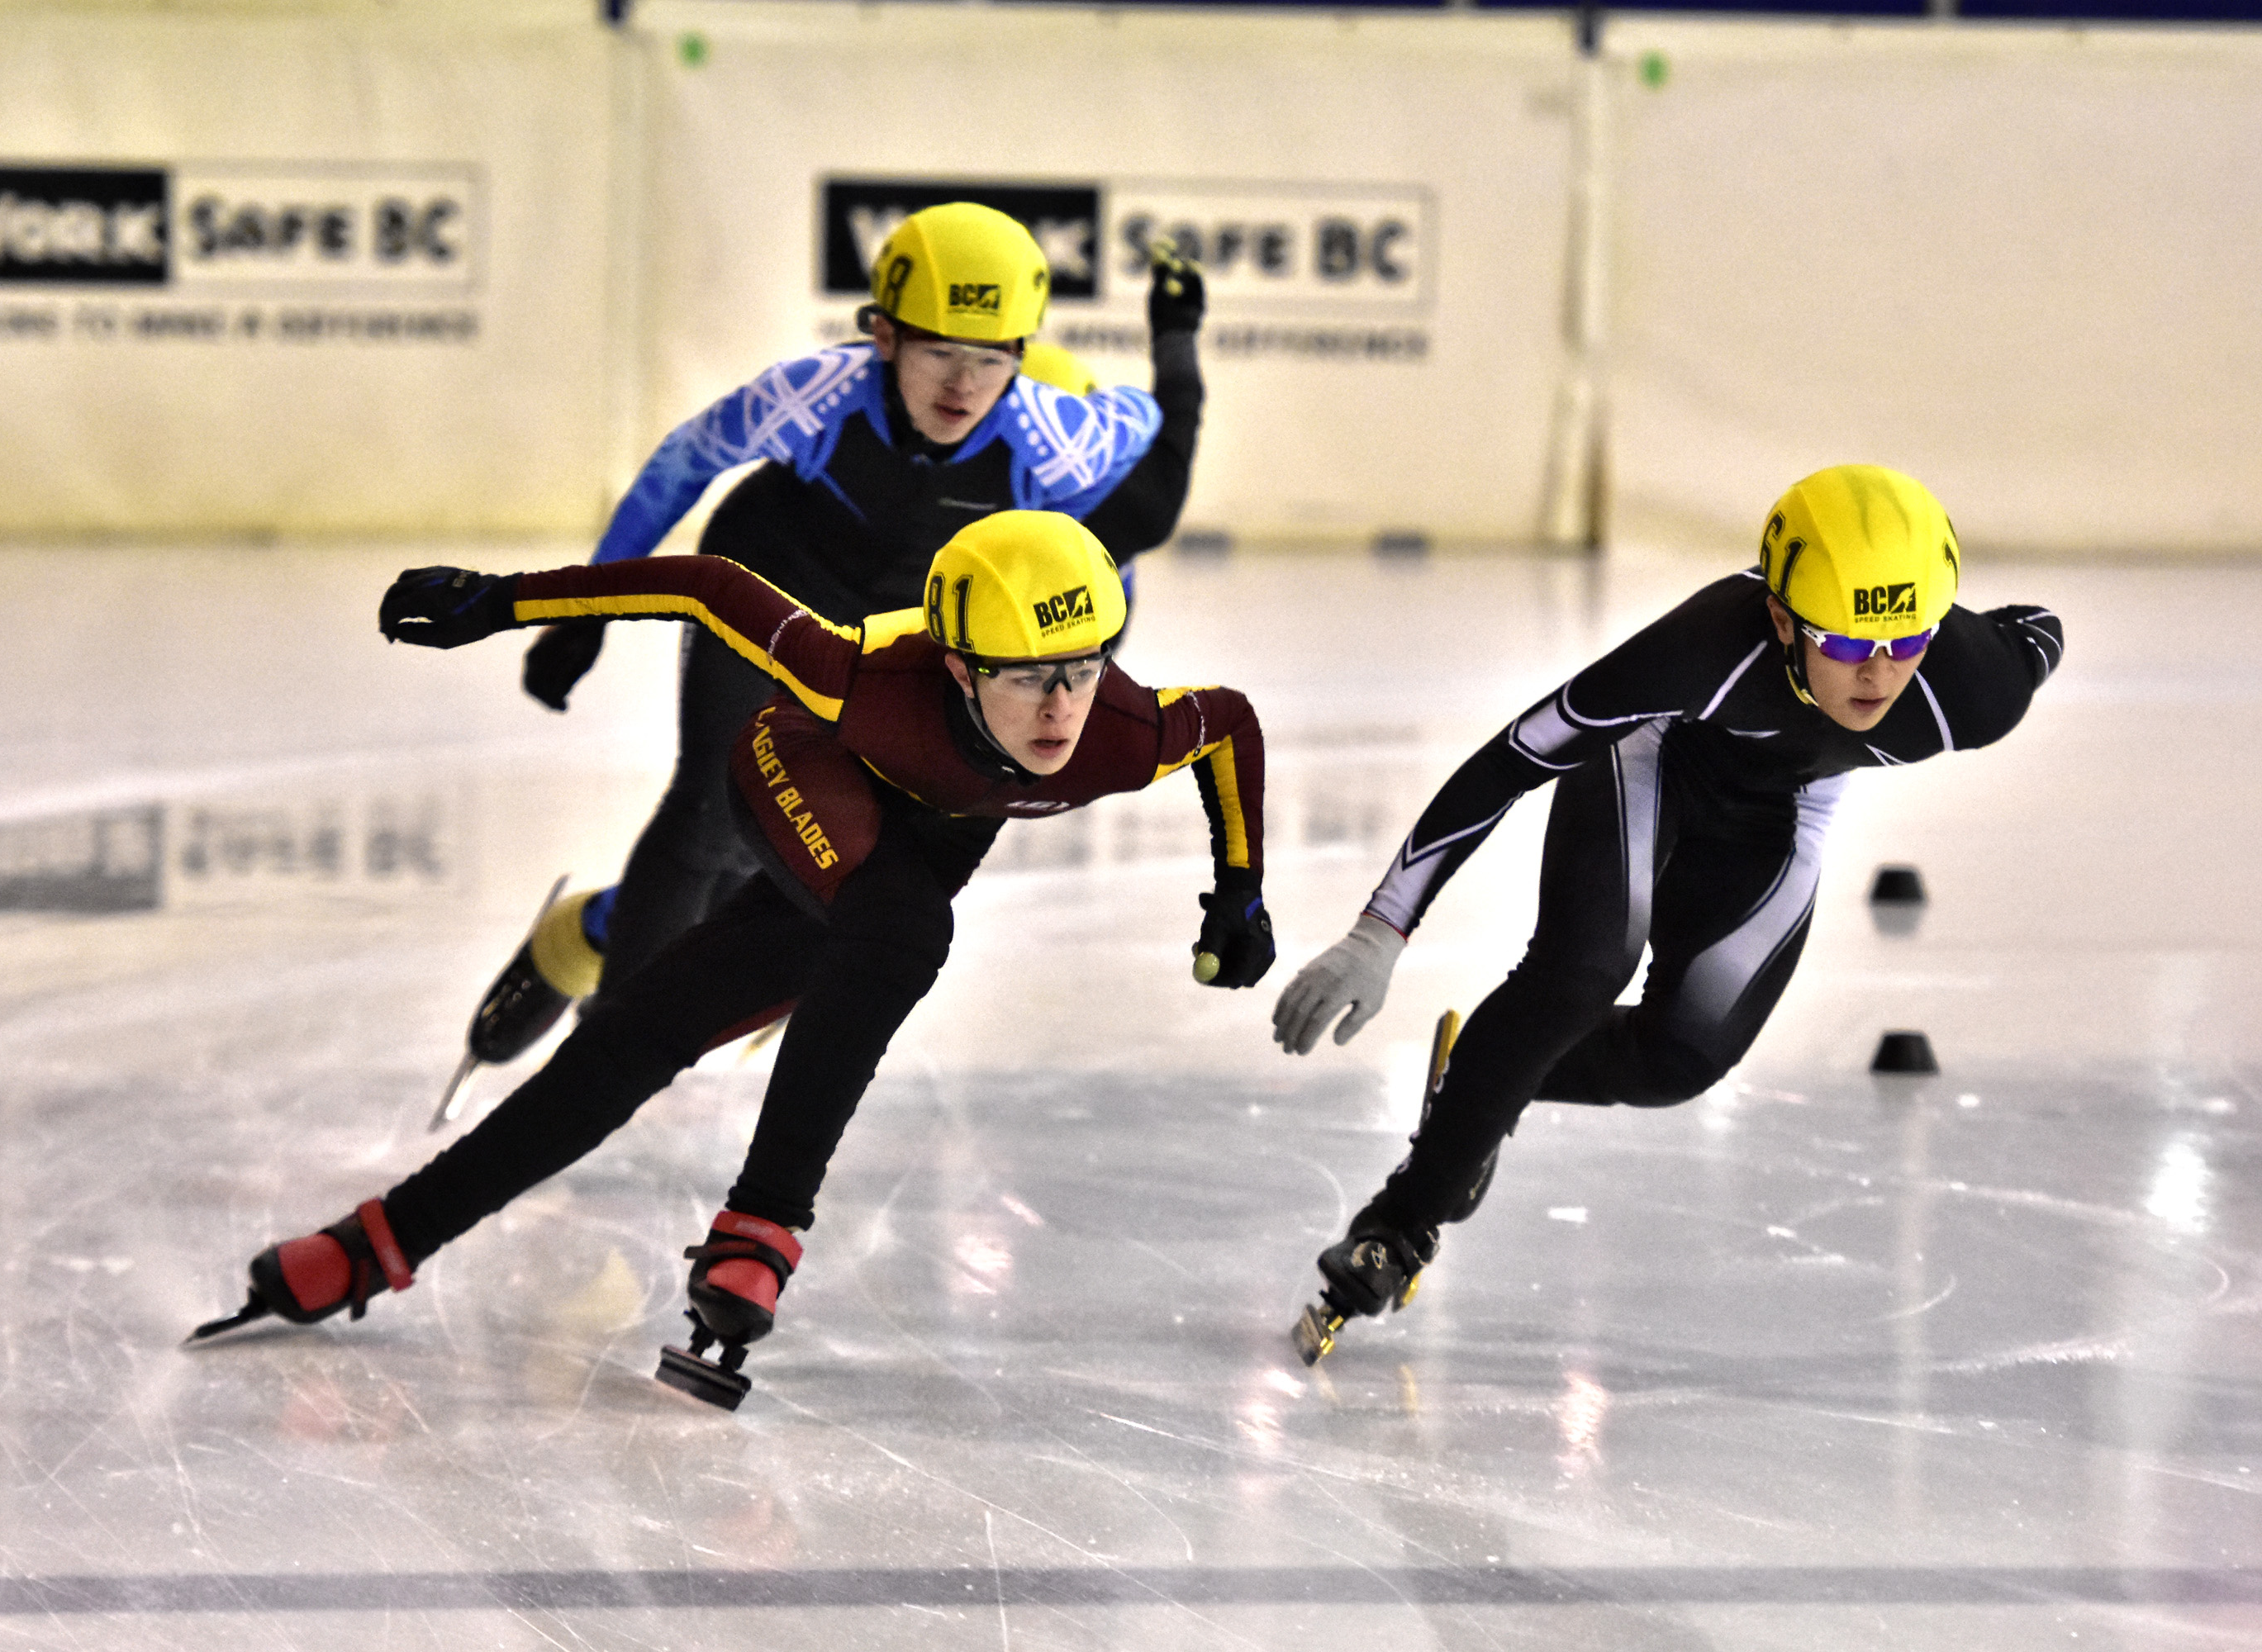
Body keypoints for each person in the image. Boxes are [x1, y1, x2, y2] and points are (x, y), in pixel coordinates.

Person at [189, 511, 1276, 1409]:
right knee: (903, 928)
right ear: (954, 664)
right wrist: (501, 600)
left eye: (1082, 670)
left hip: (911, 849)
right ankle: (762, 1225)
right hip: (803, 768)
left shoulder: (1123, 732)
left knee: (643, 1034)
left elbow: (1229, 723)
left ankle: (383, 1236)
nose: (1061, 709)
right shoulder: (863, 677)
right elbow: (711, 585)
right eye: (1026, 677)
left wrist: (1239, 890)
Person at [1269, 465, 2065, 1364]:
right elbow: (1515, 758)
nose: (1880, 671)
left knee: (1682, 1056)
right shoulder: (1703, 651)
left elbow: (2041, 630)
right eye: (1846, 642)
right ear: (1779, 618)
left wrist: (1925, 624)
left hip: (1790, 802)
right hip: (1653, 757)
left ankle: (1487, 1077)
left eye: (1908, 635)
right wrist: (1382, 928)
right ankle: (1400, 1222)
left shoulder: (1973, 689)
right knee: (1582, 969)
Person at [474, 203, 1209, 1067]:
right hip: (770, 580)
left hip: (899, 628)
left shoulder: (1057, 435)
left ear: (1020, 358)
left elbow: (1154, 491)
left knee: (796, 852)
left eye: (989, 361)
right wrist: (581, 615)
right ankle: (605, 1055)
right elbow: (686, 460)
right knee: (713, 811)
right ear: (883, 335)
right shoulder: (817, 392)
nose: (963, 387)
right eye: (940, 352)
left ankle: (587, 930)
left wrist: (1176, 336)